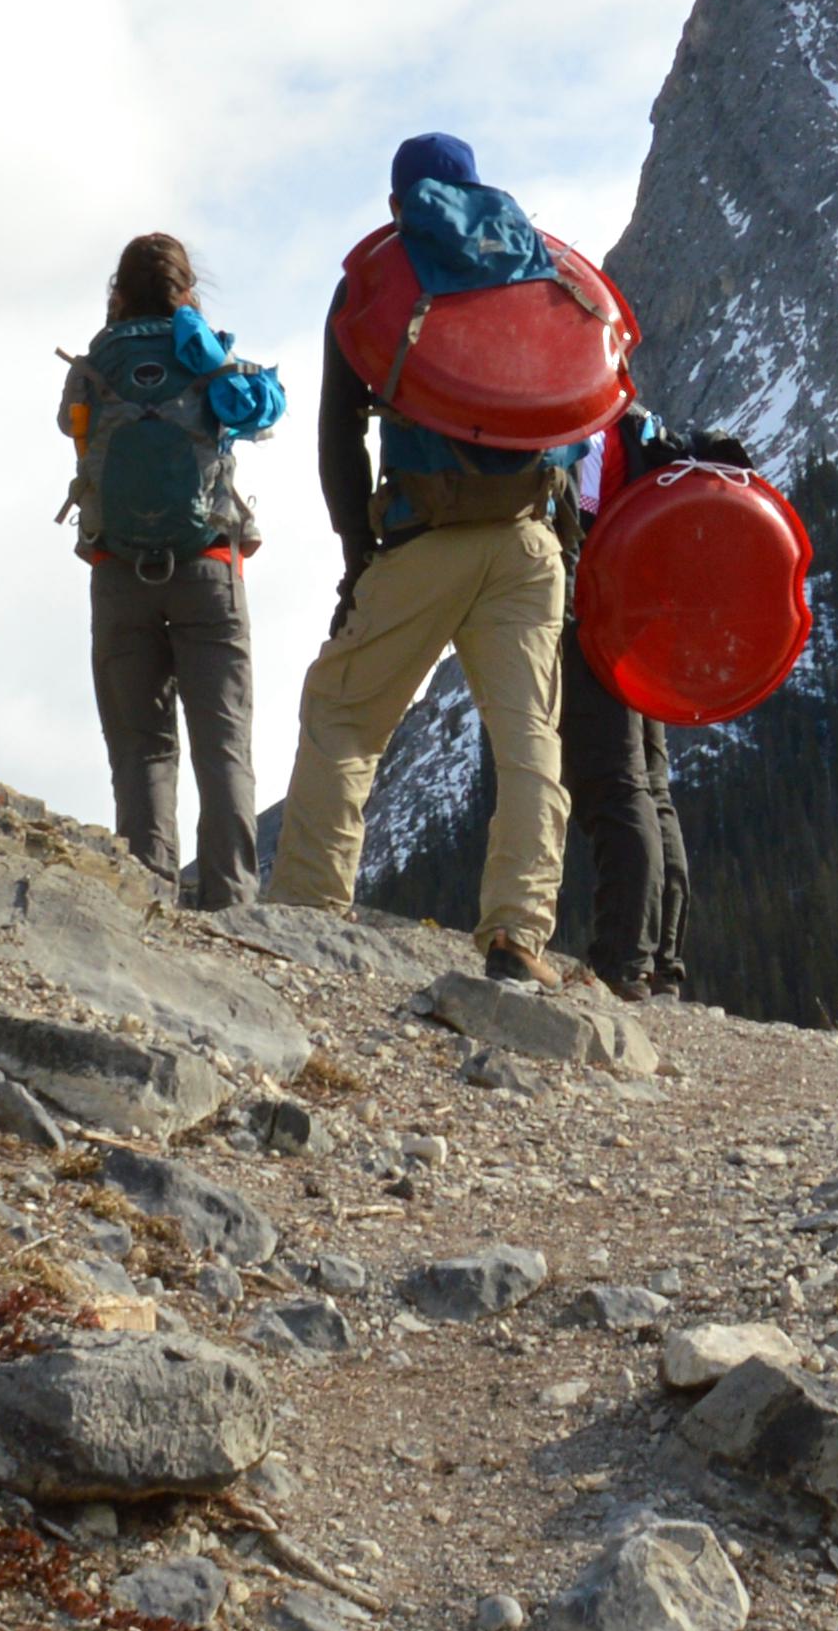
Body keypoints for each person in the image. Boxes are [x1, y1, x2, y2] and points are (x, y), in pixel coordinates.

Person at [263, 132, 588, 980]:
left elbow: (340, 437)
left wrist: (356, 554)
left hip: (423, 537)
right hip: (528, 540)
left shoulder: (380, 278)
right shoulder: (534, 263)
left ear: (397, 204)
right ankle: (518, 931)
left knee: (343, 717)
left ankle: (305, 907)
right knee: (527, 737)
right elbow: (578, 401)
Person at [61, 228, 277, 908]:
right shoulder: (210, 361)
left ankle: (149, 899)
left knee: (142, 749)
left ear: (117, 294)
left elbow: (72, 432)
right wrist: (204, 350)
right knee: (224, 746)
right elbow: (263, 415)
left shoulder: (92, 364)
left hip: (118, 572)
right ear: (189, 293)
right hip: (208, 569)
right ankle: (232, 901)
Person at [566, 401, 693, 1000]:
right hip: (641, 612)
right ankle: (662, 962)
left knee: (615, 783)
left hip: (592, 606)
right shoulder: (636, 421)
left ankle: (621, 960)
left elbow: (575, 513)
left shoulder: (581, 417)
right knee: (650, 786)